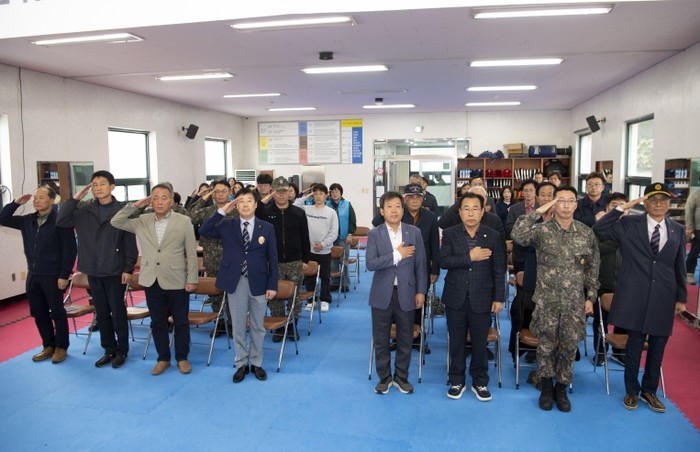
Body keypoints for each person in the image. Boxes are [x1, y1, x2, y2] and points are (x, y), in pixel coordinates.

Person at [593, 183, 687, 413]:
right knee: (634, 345)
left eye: (663, 200)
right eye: (653, 199)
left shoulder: (677, 229)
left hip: (663, 296)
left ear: (669, 203)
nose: (658, 204)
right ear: (645, 202)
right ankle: (632, 391)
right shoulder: (629, 224)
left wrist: (681, 297)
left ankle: (649, 391)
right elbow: (600, 229)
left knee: (658, 346)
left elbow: (680, 266)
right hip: (634, 294)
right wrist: (622, 208)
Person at [511, 186, 599, 412]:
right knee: (546, 347)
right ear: (554, 204)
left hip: (574, 304)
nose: (566, 205)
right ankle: (547, 387)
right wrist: (540, 210)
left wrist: (590, 297)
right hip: (547, 302)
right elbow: (517, 234)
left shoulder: (586, 233)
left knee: (569, 348)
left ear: (576, 205)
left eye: (571, 201)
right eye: (561, 200)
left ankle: (562, 388)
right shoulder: (542, 230)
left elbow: (593, 268)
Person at [111, 183, 199, 376]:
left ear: (172, 201)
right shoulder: (142, 220)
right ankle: (163, 358)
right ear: (150, 200)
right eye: (155, 198)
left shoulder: (183, 221)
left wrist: (192, 279)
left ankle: (182, 358)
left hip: (177, 279)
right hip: (151, 279)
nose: (159, 202)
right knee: (157, 322)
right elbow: (116, 221)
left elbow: (191, 253)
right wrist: (135, 206)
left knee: (181, 322)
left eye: (164, 198)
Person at [57, 170, 138, 369]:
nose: (98, 187)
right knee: (101, 313)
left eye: (102, 183)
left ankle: (122, 350)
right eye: (94, 184)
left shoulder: (122, 211)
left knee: (117, 312)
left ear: (112, 187)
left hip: (115, 269)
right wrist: (75, 199)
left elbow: (129, 242)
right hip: (93, 269)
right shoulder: (85, 211)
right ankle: (108, 349)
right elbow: (61, 220)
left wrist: (128, 267)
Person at [199, 188, 278, 383]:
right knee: (238, 326)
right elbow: (203, 230)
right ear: (236, 204)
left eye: (249, 200)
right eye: (241, 201)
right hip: (236, 281)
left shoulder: (267, 227)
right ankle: (241, 363)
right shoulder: (227, 224)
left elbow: (273, 259)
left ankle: (256, 362)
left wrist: (272, 284)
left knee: (258, 326)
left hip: (259, 281)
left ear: (256, 204)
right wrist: (222, 211)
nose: (245, 204)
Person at [0, 186, 77, 364]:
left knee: (57, 312)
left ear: (52, 200)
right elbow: (3, 218)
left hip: (53, 275)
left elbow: (70, 250)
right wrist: (15, 203)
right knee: (38, 312)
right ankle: (48, 345)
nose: (36, 200)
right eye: (35, 198)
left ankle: (61, 347)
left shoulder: (60, 221)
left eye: (41, 197)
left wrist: (64, 275)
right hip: (33, 274)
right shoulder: (28, 221)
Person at [441, 193, 505, 401]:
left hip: (483, 297)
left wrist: (499, 298)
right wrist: (469, 257)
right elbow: (444, 261)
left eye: (475, 208)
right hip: (455, 296)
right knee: (456, 341)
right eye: (466, 209)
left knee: (479, 343)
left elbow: (499, 269)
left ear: (482, 211)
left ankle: (480, 381)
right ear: (459, 212)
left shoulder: (492, 235)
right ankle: (456, 380)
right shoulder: (450, 234)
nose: (470, 213)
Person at [367, 191, 427, 395]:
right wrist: (396, 255)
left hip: (407, 292)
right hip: (381, 293)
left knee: (405, 337)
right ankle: (384, 377)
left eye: (398, 206)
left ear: (403, 210)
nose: (394, 210)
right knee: (381, 338)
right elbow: (371, 263)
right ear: (382, 211)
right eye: (389, 207)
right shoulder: (374, 234)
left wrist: (421, 291)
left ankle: (401, 376)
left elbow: (420, 265)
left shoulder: (414, 232)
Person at [371, 183, 440, 352]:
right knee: (396, 306)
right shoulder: (398, 215)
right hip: (396, 268)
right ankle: (397, 339)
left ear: (423, 199)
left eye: (418, 197)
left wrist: (435, 269)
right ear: (405, 200)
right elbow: (377, 222)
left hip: (420, 267)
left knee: (418, 303)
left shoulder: (430, 217)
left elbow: (434, 243)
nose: (415, 200)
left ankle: (417, 338)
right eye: (411, 197)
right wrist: (390, 210)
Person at [257, 176, 310, 342]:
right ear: (272, 193)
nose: (281, 195)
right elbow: (255, 210)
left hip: (295, 261)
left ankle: (292, 325)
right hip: (273, 261)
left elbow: (305, 237)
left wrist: (305, 260)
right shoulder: (265, 212)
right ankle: (279, 326)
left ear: (289, 193)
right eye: (277, 192)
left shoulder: (298, 213)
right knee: (274, 296)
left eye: (284, 191)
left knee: (295, 296)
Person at [188, 180, 237, 336]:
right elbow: (191, 216)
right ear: (212, 194)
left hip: (232, 258)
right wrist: (202, 198)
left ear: (230, 193)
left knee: (233, 292)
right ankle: (219, 321)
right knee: (215, 291)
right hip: (212, 257)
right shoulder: (208, 211)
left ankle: (233, 323)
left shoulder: (236, 211)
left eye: (224, 191)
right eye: (216, 191)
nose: (220, 194)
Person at [592, 192, 628, 367]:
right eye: (614, 205)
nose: (619, 208)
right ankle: (600, 352)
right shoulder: (600, 226)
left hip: (625, 282)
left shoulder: (632, 227)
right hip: (602, 281)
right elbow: (595, 250)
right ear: (607, 207)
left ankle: (619, 352)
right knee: (601, 321)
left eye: (623, 205)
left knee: (624, 320)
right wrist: (617, 241)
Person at [294, 183, 338, 312]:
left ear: (326, 195)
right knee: (309, 277)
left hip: (324, 250)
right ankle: (311, 300)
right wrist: (306, 195)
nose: (318, 196)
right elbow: (295, 205)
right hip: (309, 250)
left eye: (321, 194)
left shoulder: (331, 212)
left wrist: (323, 244)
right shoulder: (307, 209)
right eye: (316, 193)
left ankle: (325, 300)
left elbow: (334, 232)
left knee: (325, 277)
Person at [327, 183, 357, 292]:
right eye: (332, 191)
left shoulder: (347, 204)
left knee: (344, 261)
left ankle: (345, 284)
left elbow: (352, 220)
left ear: (341, 193)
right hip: (330, 238)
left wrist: (350, 234)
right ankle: (334, 283)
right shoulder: (326, 204)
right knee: (332, 261)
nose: (335, 193)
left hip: (344, 237)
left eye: (337, 191)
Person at [684, 185, 700, 285]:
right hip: (698, 228)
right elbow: (689, 210)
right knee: (695, 251)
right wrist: (689, 227)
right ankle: (689, 273)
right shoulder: (695, 194)